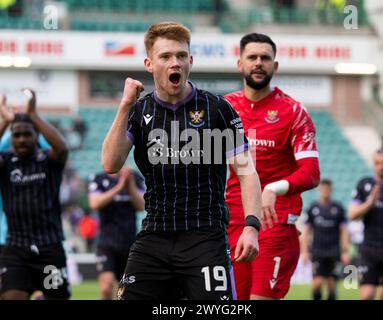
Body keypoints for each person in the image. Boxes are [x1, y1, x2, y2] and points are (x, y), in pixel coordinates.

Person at [102, 22, 266, 300]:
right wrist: (124, 105)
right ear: (149, 63)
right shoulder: (138, 111)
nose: (174, 63)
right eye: (165, 57)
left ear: (190, 61)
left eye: (180, 56)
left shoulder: (217, 109)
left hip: (205, 236)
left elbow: (247, 173)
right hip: (154, 235)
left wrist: (251, 227)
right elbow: (111, 163)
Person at [225, 33, 320, 300]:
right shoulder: (224, 109)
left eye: (265, 58)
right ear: (239, 64)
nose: (258, 63)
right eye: (252, 57)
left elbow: (312, 173)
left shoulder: (293, 111)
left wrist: (275, 188)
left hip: (274, 223)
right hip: (231, 224)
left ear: (275, 66)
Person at [0, 90, 70, 300]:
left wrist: (34, 115)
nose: (21, 139)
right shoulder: (6, 163)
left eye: (27, 134)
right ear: (11, 138)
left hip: (49, 248)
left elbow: (63, 148)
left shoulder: (48, 161)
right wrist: (4, 121)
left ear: (36, 135)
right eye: (17, 134)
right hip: (15, 249)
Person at [349, 148, 383, 300]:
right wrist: (369, 203)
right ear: (373, 164)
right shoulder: (363, 184)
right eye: (377, 163)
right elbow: (352, 214)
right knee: (367, 295)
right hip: (369, 249)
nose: (381, 166)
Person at [88, 167, 145, 300]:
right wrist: (119, 187)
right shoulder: (99, 179)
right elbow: (94, 203)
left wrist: (129, 184)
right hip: (106, 243)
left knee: (123, 291)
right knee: (106, 287)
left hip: (129, 244)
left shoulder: (135, 178)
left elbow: (141, 206)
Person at [301, 179, 350, 300]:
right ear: (319, 190)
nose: (325, 191)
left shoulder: (338, 208)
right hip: (318, 251)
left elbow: (344, 231)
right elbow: (306, 231)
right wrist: (304, 251)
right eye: (323, 189)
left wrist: (345, 251)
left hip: (334, 251)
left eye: (327, 189)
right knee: (317, 284)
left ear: (331, 190)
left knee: (331, 284)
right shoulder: (313, 208)